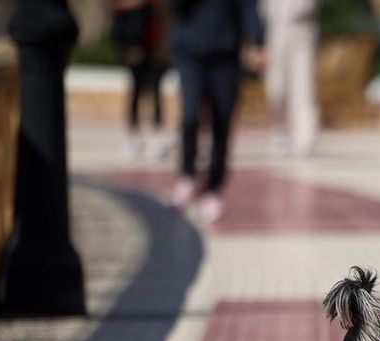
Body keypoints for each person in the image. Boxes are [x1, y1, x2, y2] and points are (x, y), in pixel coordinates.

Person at [169, 0, 264, 224]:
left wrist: (258, 42)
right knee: (190, 116)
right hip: (190, 54)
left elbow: (248, 8)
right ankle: (187, 174)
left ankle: (213, 189)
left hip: (226, 58)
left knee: (222, 121)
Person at [111, 0, 171, 160]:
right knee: (135, 90)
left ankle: (157, 136)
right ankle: (132, 137)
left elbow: (166, 12)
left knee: (155, 90)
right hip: (135, 43)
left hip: (154, 44)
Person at [264, 0, 319, 157]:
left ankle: (305, 136)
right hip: (276, 30)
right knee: (276, 87)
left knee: (304, 87)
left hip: (302, 31)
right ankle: (279, 133)